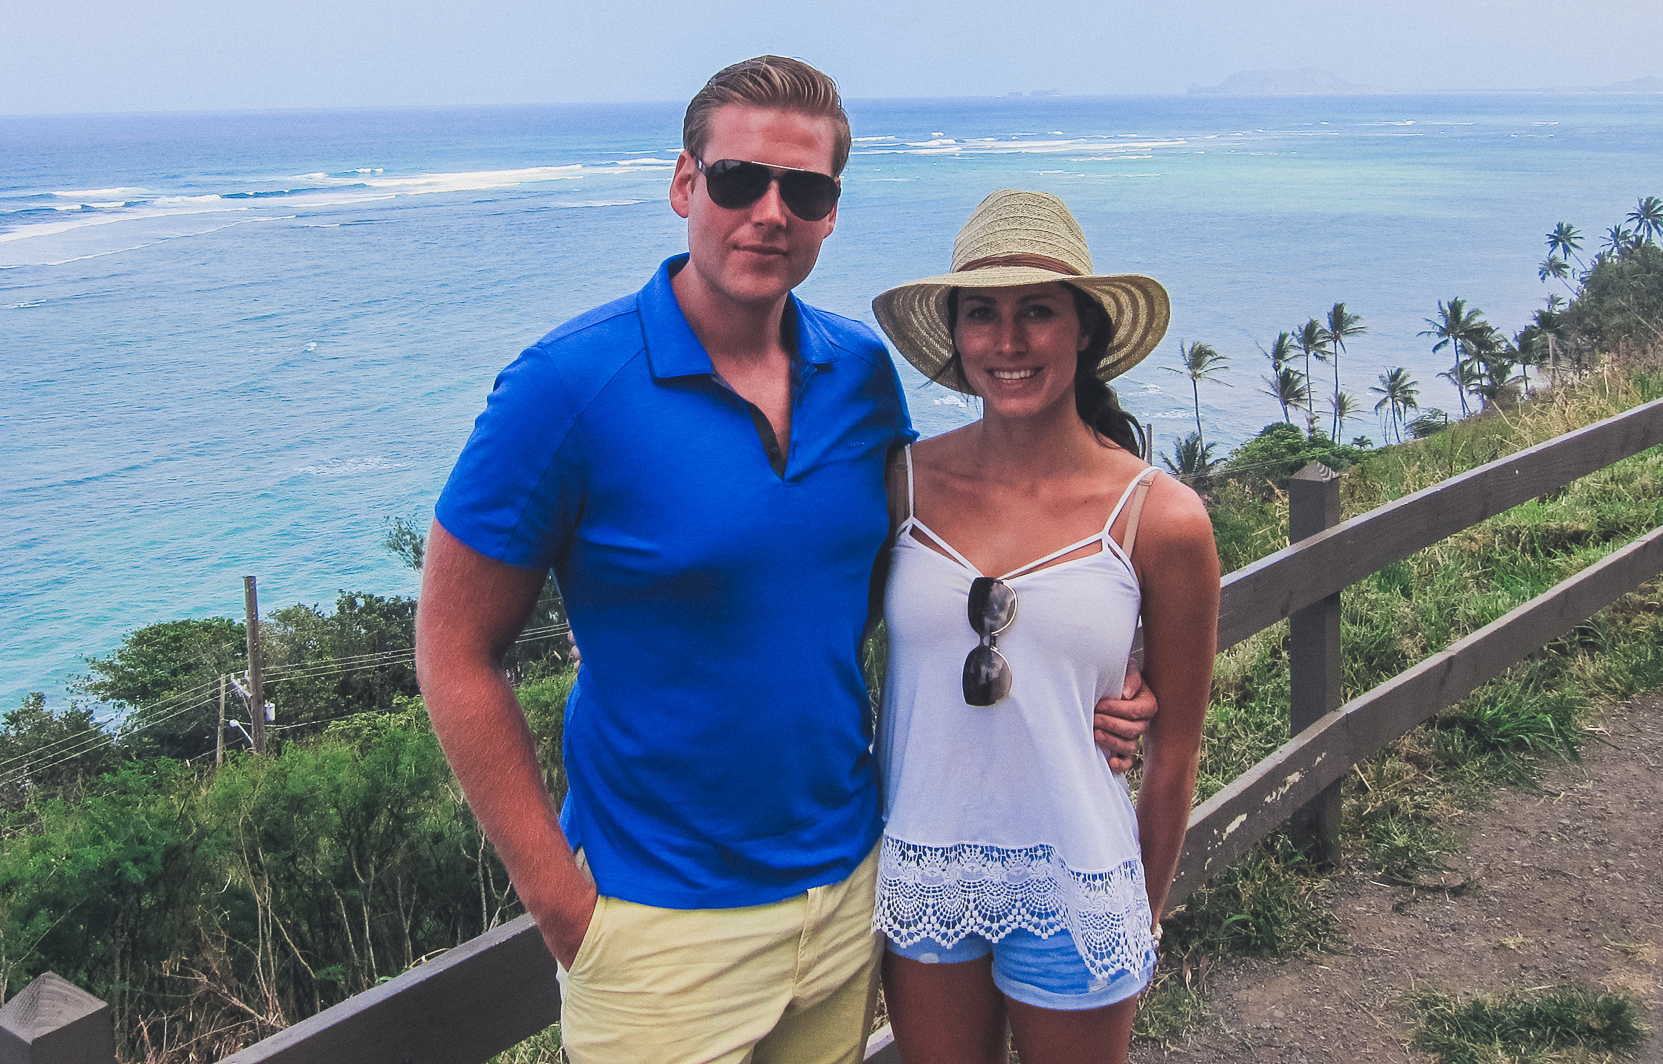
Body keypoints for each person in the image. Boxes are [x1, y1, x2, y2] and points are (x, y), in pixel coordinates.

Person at [416, 59, 1156, 1064]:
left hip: (848, 892)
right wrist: (559, 900)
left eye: (801, 191)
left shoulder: (856, 376)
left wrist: (1106, 674)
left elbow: (947, 581)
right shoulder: (566, 386)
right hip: (657, 925)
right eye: (738, 181)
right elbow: (454, 648)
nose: (769, 212)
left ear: (830, 213)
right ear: (684, 184)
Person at [868, 190, 1221, 1064]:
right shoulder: (898, 486)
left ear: (1085, 330)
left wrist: (1141, 906)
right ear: (955, 335)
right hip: (926, 866)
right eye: (981, 314)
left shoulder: (1160, 516)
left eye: (1038, 312)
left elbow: (1176, 746)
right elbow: (817, 640)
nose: (1009, 341)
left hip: (1078, 874)